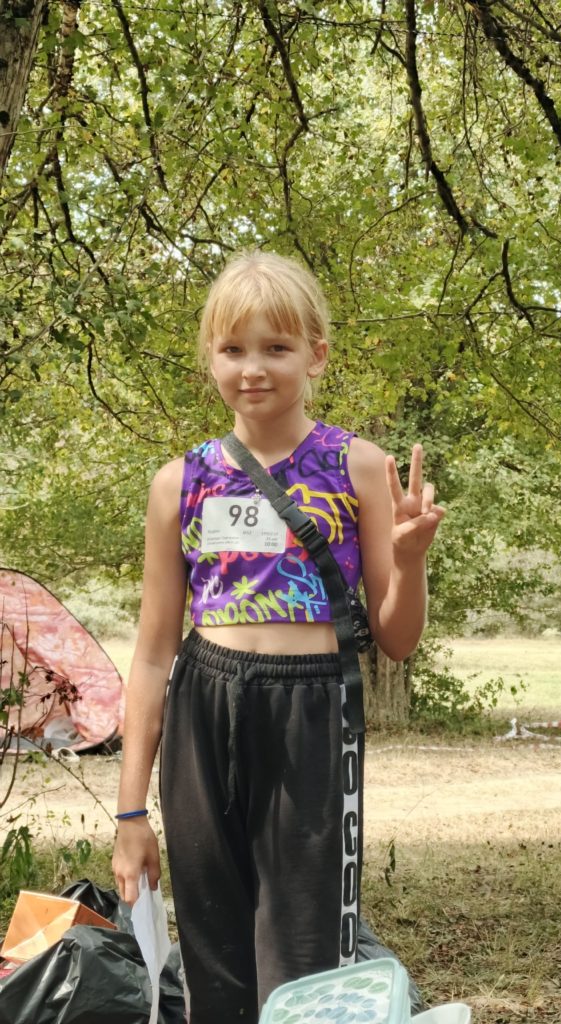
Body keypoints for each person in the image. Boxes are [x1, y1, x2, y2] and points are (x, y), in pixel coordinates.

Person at [112, 250, 445, 1022]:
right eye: (233, 349)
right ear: (210, 358)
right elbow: (154, 654)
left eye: (276, 347)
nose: (252, 368)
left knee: (304, 957)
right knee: (212, 952)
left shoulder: (358, 466)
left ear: (316, 355)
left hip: (312, 715)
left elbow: (395, 639)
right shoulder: (180, 482)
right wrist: (130, 815)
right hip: (203, 708)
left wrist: (409, 560)